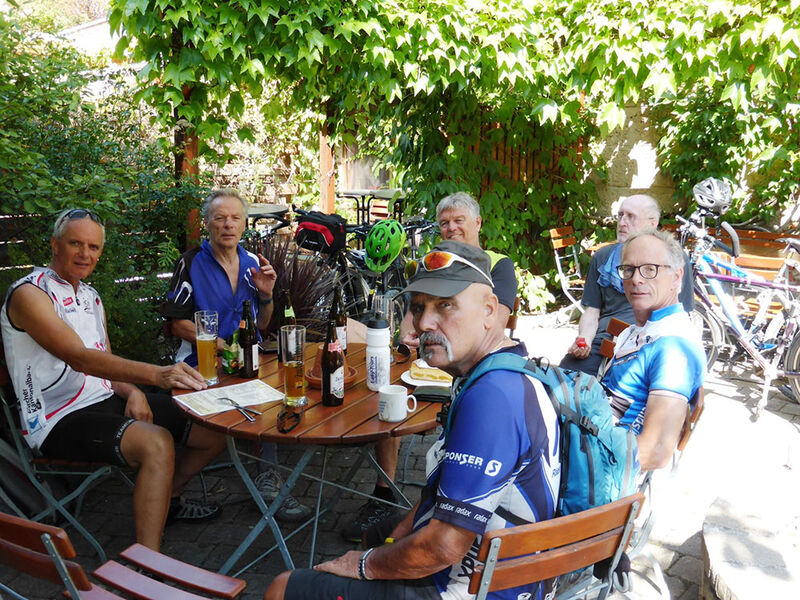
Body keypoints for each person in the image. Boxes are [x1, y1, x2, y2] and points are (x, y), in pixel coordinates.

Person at [265, 240, 560, 600]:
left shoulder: (492, 398)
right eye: (418, 307)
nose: (424, 323)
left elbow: (443, 546)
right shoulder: (507, 369)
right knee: (378, 534)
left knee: (283, 587)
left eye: (445, 305)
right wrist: (391, 541)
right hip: (495, 568)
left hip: (471, 588)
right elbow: (443, 495)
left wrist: (365, 564)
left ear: (489, 310)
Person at [0, 208, 227, 551]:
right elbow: (79, 358)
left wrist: (133, 392)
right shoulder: (29, 294)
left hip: (105, 400)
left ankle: (167, 499)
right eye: (75, 243)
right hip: (56, 419)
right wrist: (156, 375)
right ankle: (147, 563)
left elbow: (103, 360)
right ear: (55, 245)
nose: (85, 254)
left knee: (214, 425)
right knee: (156, 443)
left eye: (93, 247)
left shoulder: (90, 296)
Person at [341, 191, 519, 543]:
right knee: (388, 393)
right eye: (444, 223)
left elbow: (494, 325)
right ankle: (384, 493)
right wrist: (411, 333)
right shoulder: (433, 264)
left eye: (459, 221)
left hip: (471, 368)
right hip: (428, 362)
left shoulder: (496, 265)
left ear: (478, 223)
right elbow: (410, 323)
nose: (451, 228)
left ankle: (439, 499)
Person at [162, 189, 311, 523]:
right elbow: (177, 324)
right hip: (199, 366)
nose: (228, 225)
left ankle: (267, 478)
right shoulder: (191, 263)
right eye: (220, 218)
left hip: (246, 363)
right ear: (207, 224)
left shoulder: (253, 264)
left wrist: (267, 295)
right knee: (258, 404)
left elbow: (262, 323)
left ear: (244, 224)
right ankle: (265, 484)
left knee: (281, 396)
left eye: (235, 218)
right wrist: (221, 346)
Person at [602, 229, 705, 470]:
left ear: (677, 277)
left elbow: (655, 451)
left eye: (650, 269)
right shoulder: (639, 331)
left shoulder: (674, 347)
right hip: (588, 438)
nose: (636, 279)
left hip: (602, 470)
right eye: (629, 269)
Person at [560, 194, 694, 375]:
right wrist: (584, 340)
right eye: (621, 215)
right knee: (562, 377)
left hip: (649, 345)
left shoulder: (673, 259)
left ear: (652, 223)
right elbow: (592, 312)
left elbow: (683, 315)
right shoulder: (603, 257)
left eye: (631, 217)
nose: (622, 222)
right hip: (603, 343)